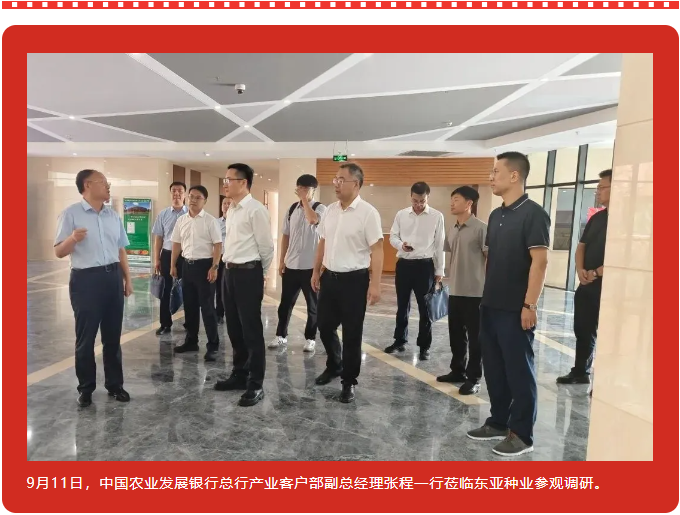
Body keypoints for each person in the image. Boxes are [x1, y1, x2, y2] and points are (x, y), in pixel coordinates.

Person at [466, 152, 550, 458]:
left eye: (496, 172)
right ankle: (498, 421)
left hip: (516, 308)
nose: (491, 177)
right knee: (495, 368)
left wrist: (530, 305)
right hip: (491, 304)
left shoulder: (534, 214)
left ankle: (522, 434)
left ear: (514, 176)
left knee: (519, 371)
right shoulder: (496, 215)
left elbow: (540, 263)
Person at [53, 169, 133, 407]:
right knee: (86, 338)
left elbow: (121, 249)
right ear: (87, 185)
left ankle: (115, 385)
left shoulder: (112, 216)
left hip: (112, 278)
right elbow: (58, 251)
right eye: (103, 182)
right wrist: (72, 239)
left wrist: (127, 279)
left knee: (112, 336)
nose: (108, 186)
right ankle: (86, 388)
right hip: (86, 281)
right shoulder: (71, 214)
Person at [312, 162, 384, 403]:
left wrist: (375, 284)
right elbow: (322, 242)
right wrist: (316, 271)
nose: (336, 184)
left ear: (356, 184)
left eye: (341, 180)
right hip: (329, 277)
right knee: (324, 325)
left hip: (354, 280)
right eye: (335, 179)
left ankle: (348, 381)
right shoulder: (330, 210)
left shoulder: (368, 213)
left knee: (352, 333)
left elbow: (378, 249)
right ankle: (335, 364)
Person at [215, 163, 274, 408]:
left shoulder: (255, 210)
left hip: (248, 273)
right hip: (229, 273)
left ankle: (256, 383)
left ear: (243, 182)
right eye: (225, 179)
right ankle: (240, 374)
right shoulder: (232, 209)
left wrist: (260, 273)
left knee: (251, 330)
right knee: (234, 328)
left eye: (229, 179)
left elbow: (266, 248)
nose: (225, 184)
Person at [557, 169, 611, 386]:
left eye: (602, 187)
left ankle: (605, 382)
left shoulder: (628, 219)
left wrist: (597, 272)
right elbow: (581, 245)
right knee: (583, 329)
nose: (597, 191)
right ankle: (581, 371)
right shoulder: (598, 217)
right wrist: (580, 270)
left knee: (609, 334)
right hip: (587, 284)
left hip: (610, 287)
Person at [436, 186, 487, 395]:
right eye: (452, 199)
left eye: (456, 199)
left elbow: (490, 259)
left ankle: (474, 378)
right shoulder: (453, 229)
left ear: (469, 203)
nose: (452, 203)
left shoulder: (481, 229)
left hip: (476, 292)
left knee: (476, 339)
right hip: (455, 290)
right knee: (456, 335)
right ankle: (457, 370)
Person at [386, 181, 444, 360]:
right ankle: (399, 341)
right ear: (410, 197)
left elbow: (439, 244)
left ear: (428, 198)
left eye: (422, 201)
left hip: (425, 267)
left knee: (425, 308)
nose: (418, 204)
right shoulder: (401, 214)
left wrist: (440, 270)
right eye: (415, 201)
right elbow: (393, 236)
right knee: (402, 306)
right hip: (404, 265)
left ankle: (424, 346)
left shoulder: (437, 216)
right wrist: (400, 245)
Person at [270, 174, 327, 353]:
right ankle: (281, 335)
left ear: (313, 190)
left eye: (306, 188)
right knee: (285, 304)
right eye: (300, 188)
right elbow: (285, 236)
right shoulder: (291, 209)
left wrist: (305, 201)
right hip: (291, 265)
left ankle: (310, 338)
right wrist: (281, 260)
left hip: (311, 267)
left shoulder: (321, 208)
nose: (302, 191)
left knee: (313, 306)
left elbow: (313, 220)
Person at [170, 185, 222, 362]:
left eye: (197, 197)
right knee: (190, 307)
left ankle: (213, 345)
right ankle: (191, 341)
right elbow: (176, 243)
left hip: (205, 267)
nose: (193, 200)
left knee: (207, 308)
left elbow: (218, 245)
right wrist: (173, 265)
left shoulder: (210, 221)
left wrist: (214, 267)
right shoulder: (181, 220)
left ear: (204, 201)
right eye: (191, 196)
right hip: (187, 266)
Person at [151, 182, 188, 335]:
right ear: (170, 193)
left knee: (188, 289)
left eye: (180, 191)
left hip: (186, 256)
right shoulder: (163, 214)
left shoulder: (190, 214)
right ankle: (165, 323)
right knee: (165, 289)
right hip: (166, 254)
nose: (176, 193)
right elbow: (158, 238)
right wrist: (157, 259)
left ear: (185, 194)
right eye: (174, 190)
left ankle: (190, 323)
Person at [215, 196, 232, 324]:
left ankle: (231, 313)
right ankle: (219, 313)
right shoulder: (215, 223)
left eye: (229, 203)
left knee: (231, 288)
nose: (226, 206)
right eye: (224, 203)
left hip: (232, 259)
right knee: (219, 287)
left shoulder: (237, 222)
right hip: (219, 258)